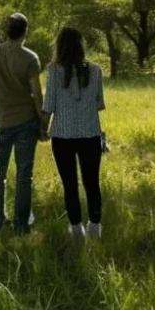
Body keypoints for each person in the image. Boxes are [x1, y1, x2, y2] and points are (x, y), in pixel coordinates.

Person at [0, 13, 47, 234]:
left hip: (1, 121)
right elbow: (37, 95)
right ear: (25, 31)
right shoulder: (30, 57)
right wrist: (43, 124)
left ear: (6, 31)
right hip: (26, 122)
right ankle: (21, 224)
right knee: (23, 173)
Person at [43, 26, 106, 240]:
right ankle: (95, 226)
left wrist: (42, 130)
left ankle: (76, 228)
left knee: (69, 183)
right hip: (90, 134)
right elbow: (99, 103)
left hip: (62, 136)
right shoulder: (96, 70)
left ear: (59, 46)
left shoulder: (53, 71)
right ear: (81, 45)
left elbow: (48, 105)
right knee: (92, 182)